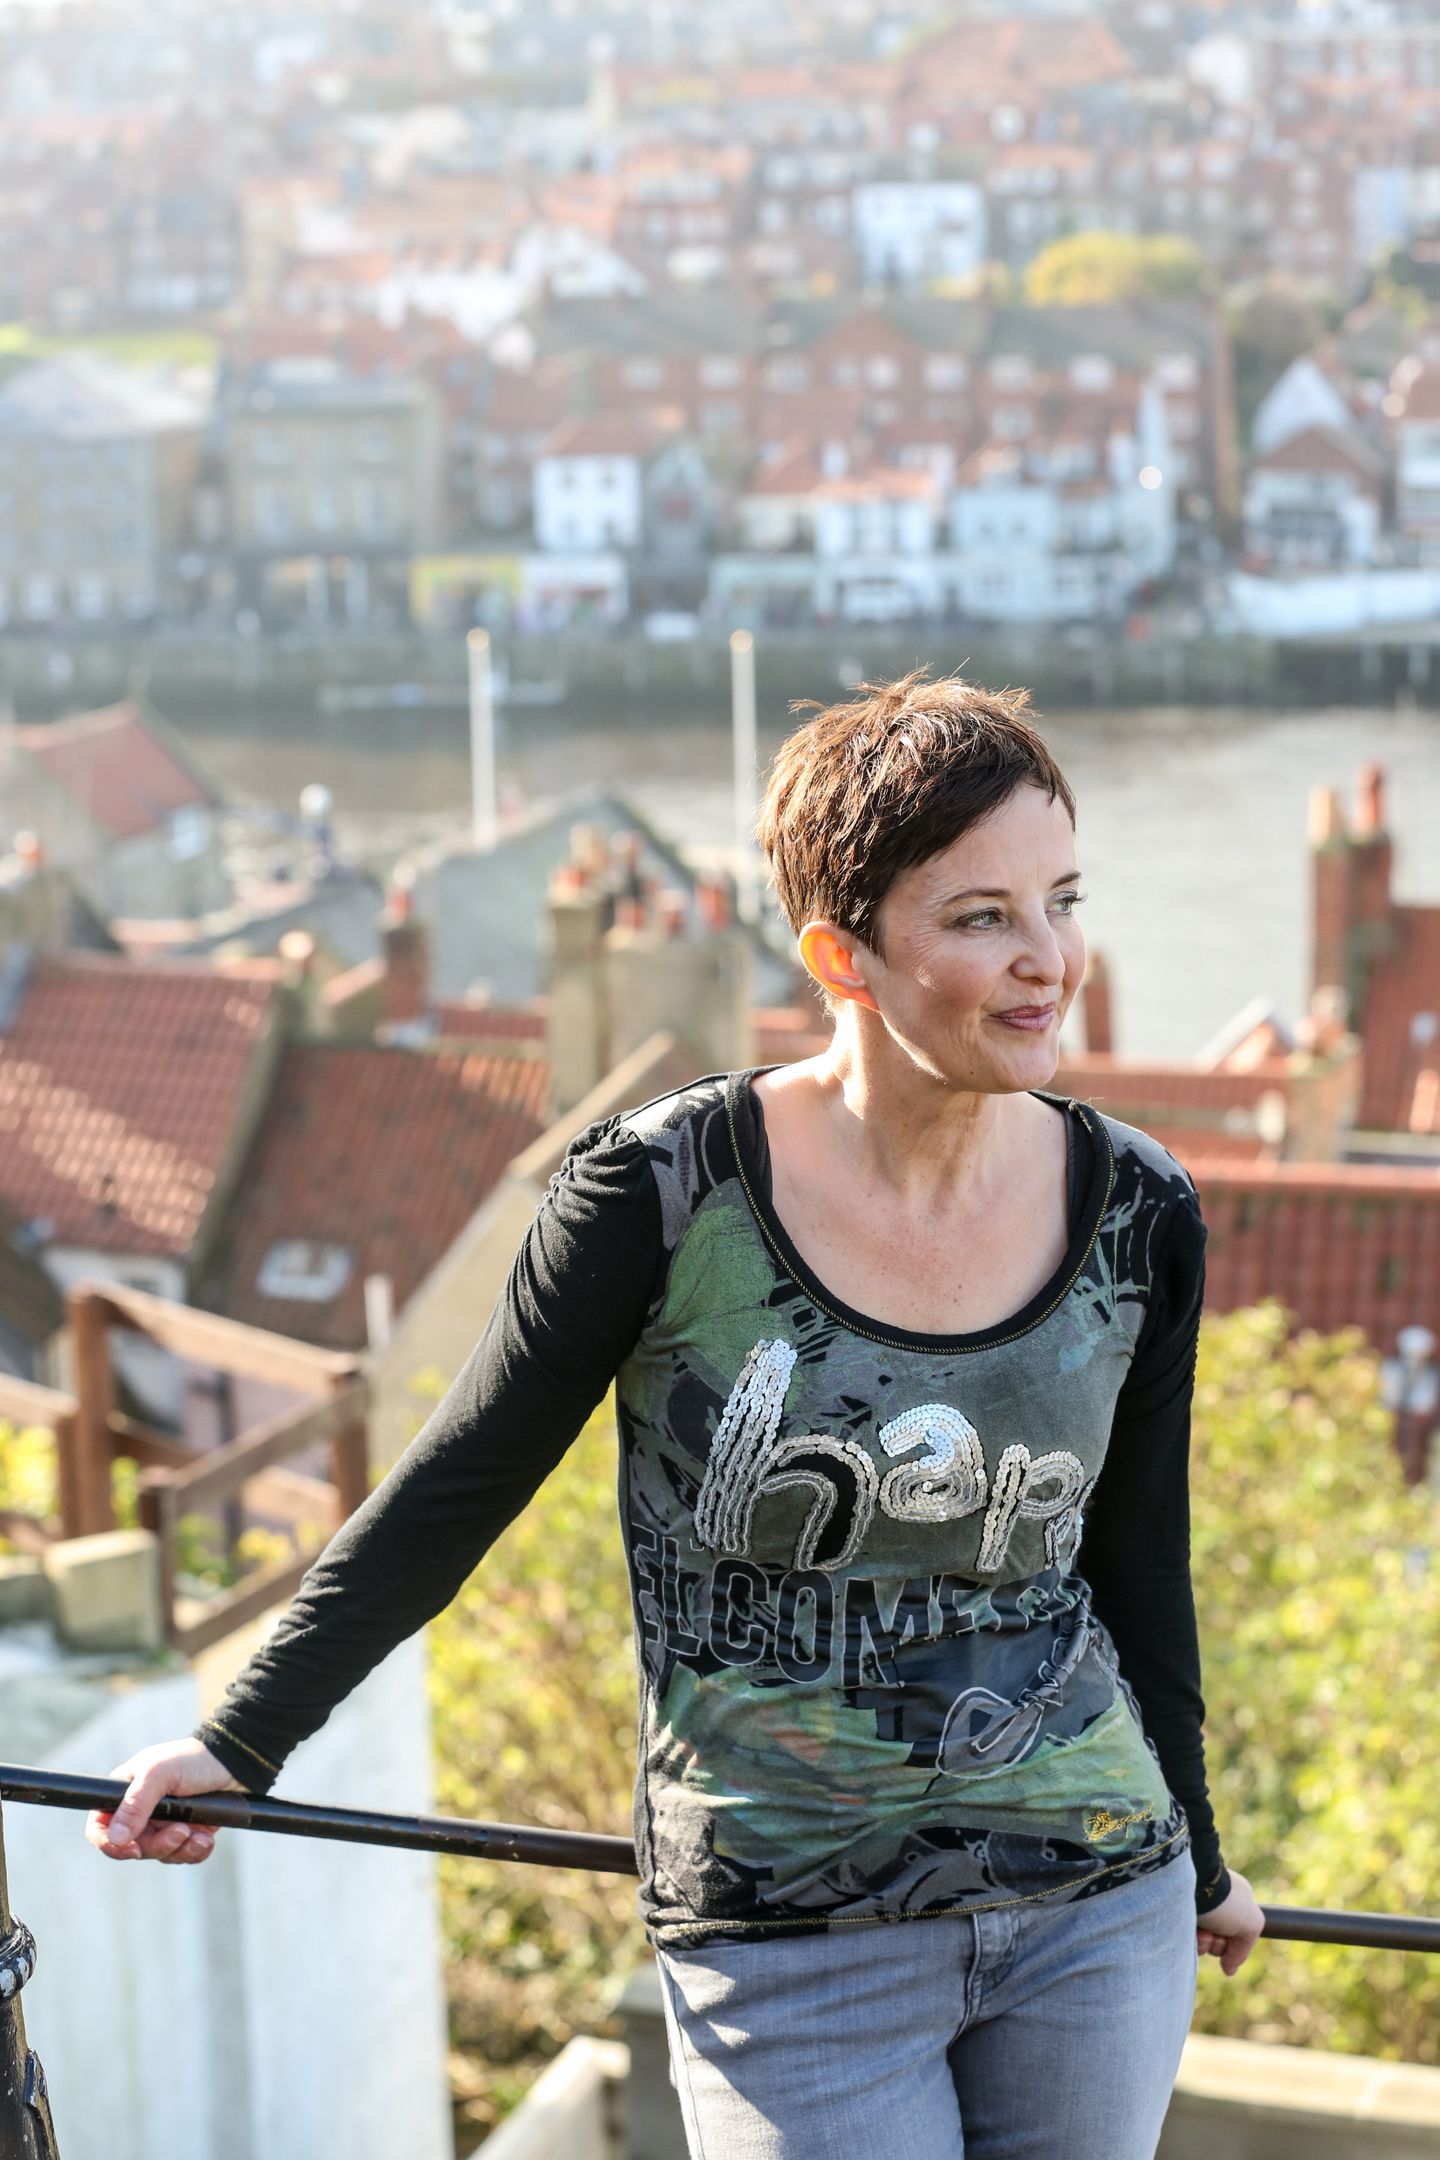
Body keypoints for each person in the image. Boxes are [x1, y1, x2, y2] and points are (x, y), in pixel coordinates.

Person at [86, 670, 1265, 2160]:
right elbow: (458, 1487)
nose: (1051, 960)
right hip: (789, 1946)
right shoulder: (662, 1193)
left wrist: (1197, 1854)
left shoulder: (1139, 1209)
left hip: (1096, 1908)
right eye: (982, 919)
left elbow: (1138, 1559)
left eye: (1064, 900)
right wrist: (242, 1740)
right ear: (843, 957)